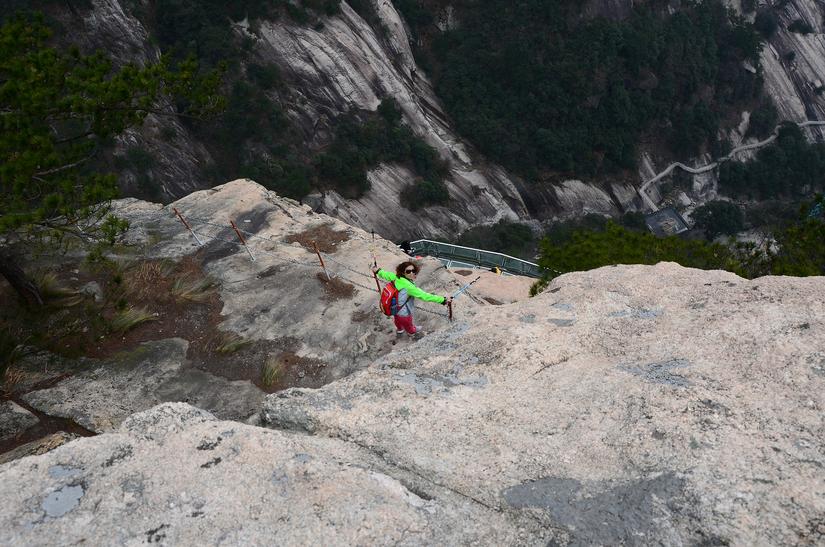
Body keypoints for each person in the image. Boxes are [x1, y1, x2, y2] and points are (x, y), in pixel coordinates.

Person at [372, 261, 451, 339]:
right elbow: (425, 296)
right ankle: (412, 333)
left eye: (413, 271)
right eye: (408, 271)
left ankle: (399, 329)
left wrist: (378, 271)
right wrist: (442, 300)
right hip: (404, 312)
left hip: (394, 307)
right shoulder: (409, 287)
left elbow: (385, 274)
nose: (412, 273)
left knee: (397, 319)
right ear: (403, 273)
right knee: (408, 324)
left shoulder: (396, 277)